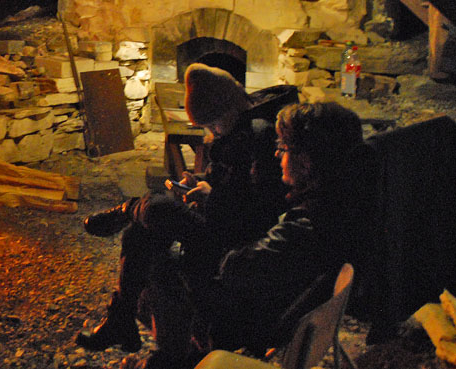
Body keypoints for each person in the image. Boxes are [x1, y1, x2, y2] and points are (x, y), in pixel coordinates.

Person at [121, 102, 375, 369]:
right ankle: (153, 344)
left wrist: (206, 237)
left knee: (157, 255)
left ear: (308, 160)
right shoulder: (340, 201)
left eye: (284, 148)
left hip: (246, 317)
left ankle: (173, 357)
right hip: (265, 304)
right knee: (155, 227)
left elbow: (237, 269)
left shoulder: (311, 225)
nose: (277, 155)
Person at [75, 63, 298, 355]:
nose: (212, 132)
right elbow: (234, 184)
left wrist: (211, 195)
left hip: (234, 241)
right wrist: (202, 183)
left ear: (230, 108)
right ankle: (122, 320)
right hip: (220, 221)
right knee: (139, 234)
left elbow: (259, 209)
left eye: (214, 124)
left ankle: (127, 210)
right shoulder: (237, 130)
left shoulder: (259, 136)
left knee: (156, 211)